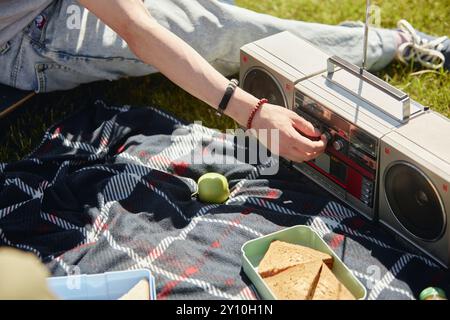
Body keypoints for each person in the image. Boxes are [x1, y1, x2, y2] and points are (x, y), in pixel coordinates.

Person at [0, 0, 448, 163]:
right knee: (215, 25)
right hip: (25, 38)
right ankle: (396, 44)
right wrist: (251, 111)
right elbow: (139, 30)